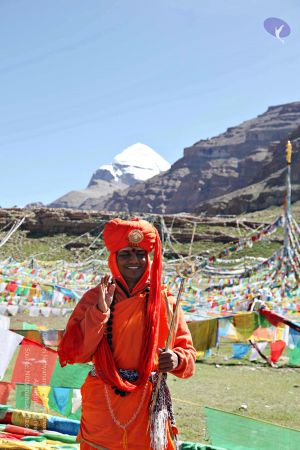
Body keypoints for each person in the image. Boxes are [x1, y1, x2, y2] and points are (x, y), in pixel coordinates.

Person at [58, 217, 196, 450]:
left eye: (140, 254)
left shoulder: (165, 300)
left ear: (149, 258)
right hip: (103, 403)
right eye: (126, 254)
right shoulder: (94, 298)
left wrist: (177, 359)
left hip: (147, 406)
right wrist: (100, 312)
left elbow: (189, 354)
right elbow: (77, 354)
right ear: (114, 259)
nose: (134, 260)